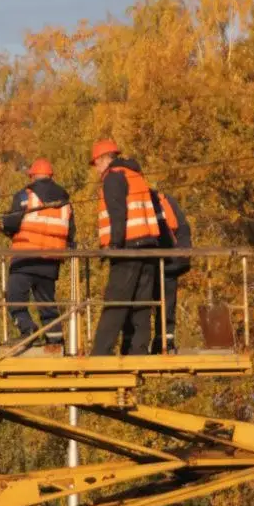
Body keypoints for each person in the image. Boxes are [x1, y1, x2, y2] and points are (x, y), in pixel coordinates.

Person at [90, 139, 159, 356]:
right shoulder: (135, 175)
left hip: (128, 247)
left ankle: (101, 352)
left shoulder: (114, 177)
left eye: (96, 164)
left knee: (116, 300)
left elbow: (118, 214)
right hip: (148, 246)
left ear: (103, 159)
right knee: (141, 302)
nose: (96, 170)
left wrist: (114, 245)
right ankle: (138, 350)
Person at [0, 159, 74, 351]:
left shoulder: (25, 195)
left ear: (32, 176)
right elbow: (71, 233)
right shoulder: (65, 201)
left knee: (14, 297)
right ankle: (56, 341)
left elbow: (12, 224)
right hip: (50, 262)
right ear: (52, 177)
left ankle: (27, 328)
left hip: (25, 258)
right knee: (47, 303)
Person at [149, 188, 191, 355]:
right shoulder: (165, 200)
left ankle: (158, 342)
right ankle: (165, 342)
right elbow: (183, 229)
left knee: (146, 303)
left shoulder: (151, 203)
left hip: (163, 261)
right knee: (167, 303)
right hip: (173, 259)